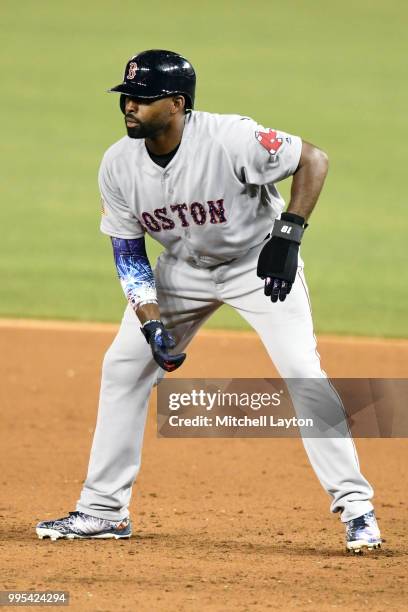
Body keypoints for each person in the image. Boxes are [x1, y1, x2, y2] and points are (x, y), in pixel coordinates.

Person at [36, 49, 381, 553]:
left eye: (143, 99)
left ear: (176, 103)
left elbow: (313, 159)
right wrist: (152, 324)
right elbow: (129, 254)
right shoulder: (117, 165)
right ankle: (103, 510)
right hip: (181, 273)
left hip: (255, 265)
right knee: (123, 367)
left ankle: (357, 509)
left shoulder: (230, 137)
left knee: (301, 371)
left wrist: (288, 234)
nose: (130, 106)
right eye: (127, 97)